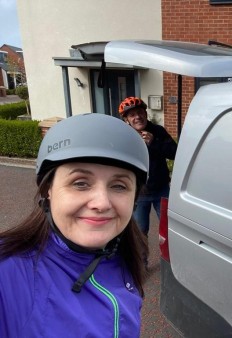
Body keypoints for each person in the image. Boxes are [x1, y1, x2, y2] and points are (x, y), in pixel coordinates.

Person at [0, 113, 150, 337]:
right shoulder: (8, 273)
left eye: (119, 186)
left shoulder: (124, 254)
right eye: (80, 183)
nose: (101, 203)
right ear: (48, 190)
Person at [119, 96, 177, 236]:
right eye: (132, 115)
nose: (137, 117)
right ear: (126, 120)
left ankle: (168, 257)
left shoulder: (158, 131)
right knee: (140, 231)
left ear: (145, 114)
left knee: (168, 229)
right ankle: (141, 258)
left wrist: (154, 143)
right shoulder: (124, 136)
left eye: (140, 113)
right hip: (139, 192)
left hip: (161, 189)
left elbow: (175, 153)